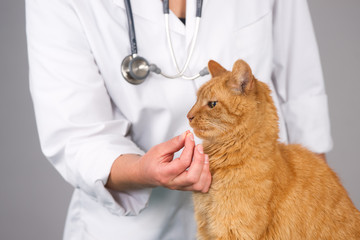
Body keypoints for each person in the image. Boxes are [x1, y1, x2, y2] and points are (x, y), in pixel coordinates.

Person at [26, 0, 333, 239]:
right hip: (134, 225)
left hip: (266, 205)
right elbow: (76, 133)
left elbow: (302, 93)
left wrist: (316, 213)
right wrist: (139, 170)